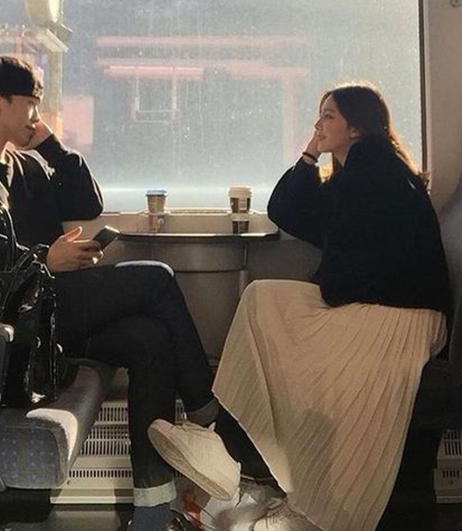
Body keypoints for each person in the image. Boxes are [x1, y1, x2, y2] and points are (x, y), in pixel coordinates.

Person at [0, 55, 218, 531]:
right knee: (156, 277)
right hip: (6, 320)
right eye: (31, 103)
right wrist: (44, 259)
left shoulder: (28, 165)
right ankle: (209, 415)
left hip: (49, 310)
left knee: (149, 339)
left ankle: (152, 512)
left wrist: (52, 147)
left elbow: (88, 202)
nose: (37, 115)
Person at [147, 83, 451, 531]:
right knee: (261, 298)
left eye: (329, 116)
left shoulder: (376, 170)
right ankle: (227, 449)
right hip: (379, 301)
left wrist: (329, 291)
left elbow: (358, 260)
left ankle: (233, 454)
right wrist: (311, 153)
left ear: (357, 127)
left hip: (403, 317)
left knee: (275, 317)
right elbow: (287, 210)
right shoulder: (354, 172)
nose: (318, 124)